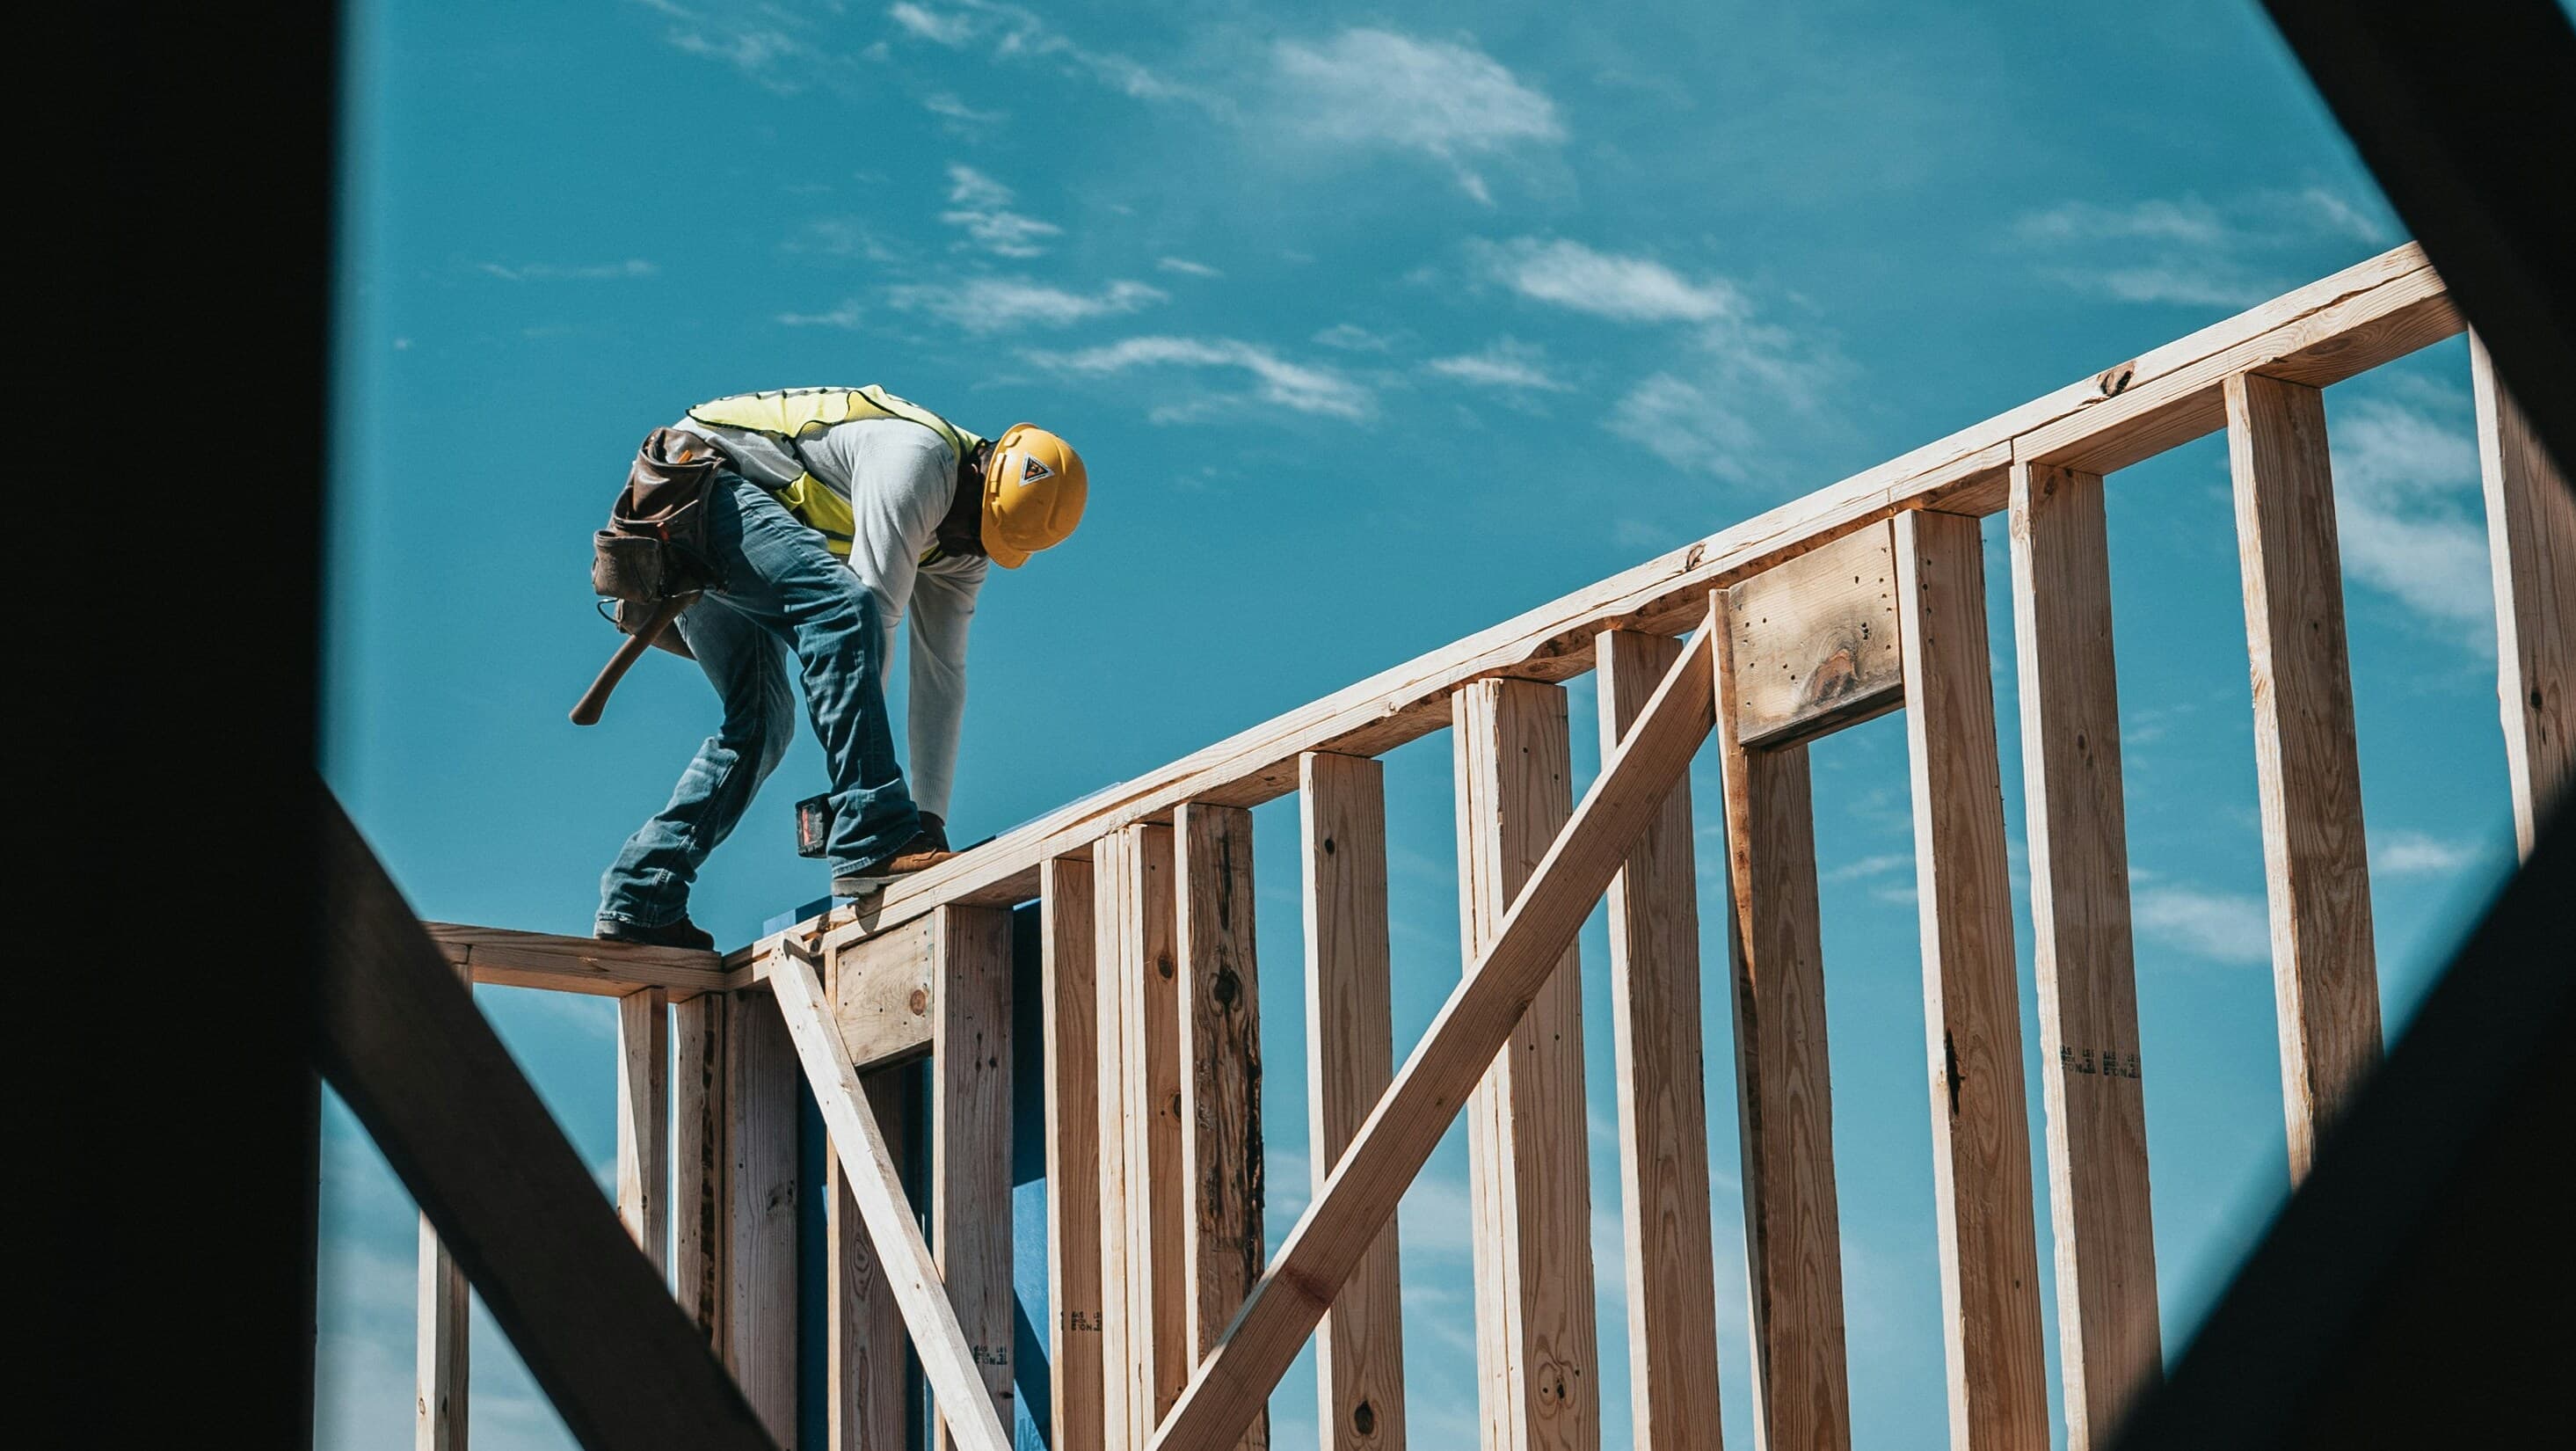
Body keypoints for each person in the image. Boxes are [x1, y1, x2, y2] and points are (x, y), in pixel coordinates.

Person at [594, 385, 1086, 949]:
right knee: (843, 608)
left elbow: (941, 678)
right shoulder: (918, 461)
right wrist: (874, 815)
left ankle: (641, 895)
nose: (967, 548)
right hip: (691, 489)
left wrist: (929, 819)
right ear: (980, 473)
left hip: (719, 523)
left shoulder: (962, 546)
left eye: (985, 543)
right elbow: (867, 616)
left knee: (761, 725)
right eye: (973, 529)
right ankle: (871, 830)